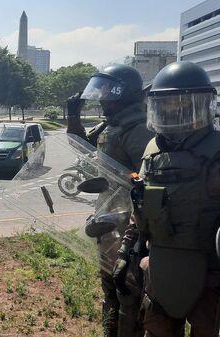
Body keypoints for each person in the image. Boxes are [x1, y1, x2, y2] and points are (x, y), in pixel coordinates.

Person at [128, 61, 220, 337]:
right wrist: (126, 252)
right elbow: (140, 204)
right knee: (157, 330)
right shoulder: (152, 149)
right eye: (166, 104)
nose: (174, 111)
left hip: (210, 272)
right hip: (160, 264)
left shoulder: (217, 150)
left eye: (182, 104)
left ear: (203, 105)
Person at [67, 64, 154, 337]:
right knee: (110, 287)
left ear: (123, 94)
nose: (102, 98)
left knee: (127, 290)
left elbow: (146, 186)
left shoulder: (138, 130)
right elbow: (82, 145)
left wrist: (123, 221)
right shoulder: (112, 124)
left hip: (127, 227)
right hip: (109, 223)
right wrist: (73, 116)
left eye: (107, 92)